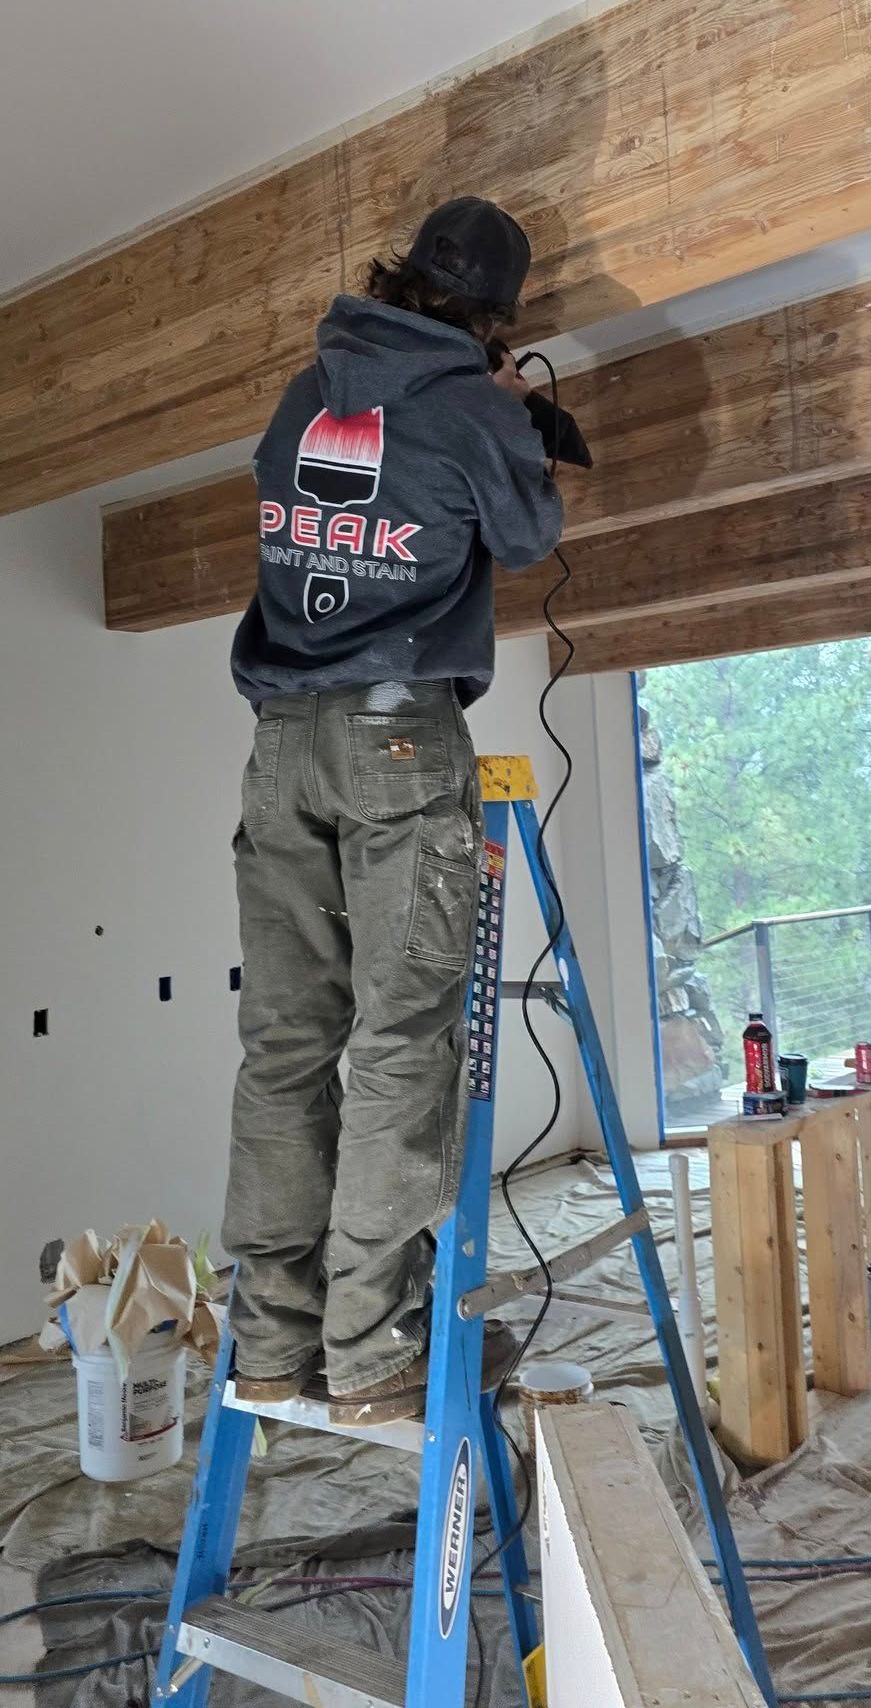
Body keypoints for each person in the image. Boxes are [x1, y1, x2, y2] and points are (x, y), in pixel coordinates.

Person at [224, 197, 591, 1426]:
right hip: (394, 732)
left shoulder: (301, 392)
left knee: (284, 1046)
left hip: (280, 742)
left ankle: (272, 1343)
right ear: (497, 319)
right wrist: (510, 413)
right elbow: (533, 530)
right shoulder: (476, 405)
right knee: (397, 1042)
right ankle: (372, 1344)